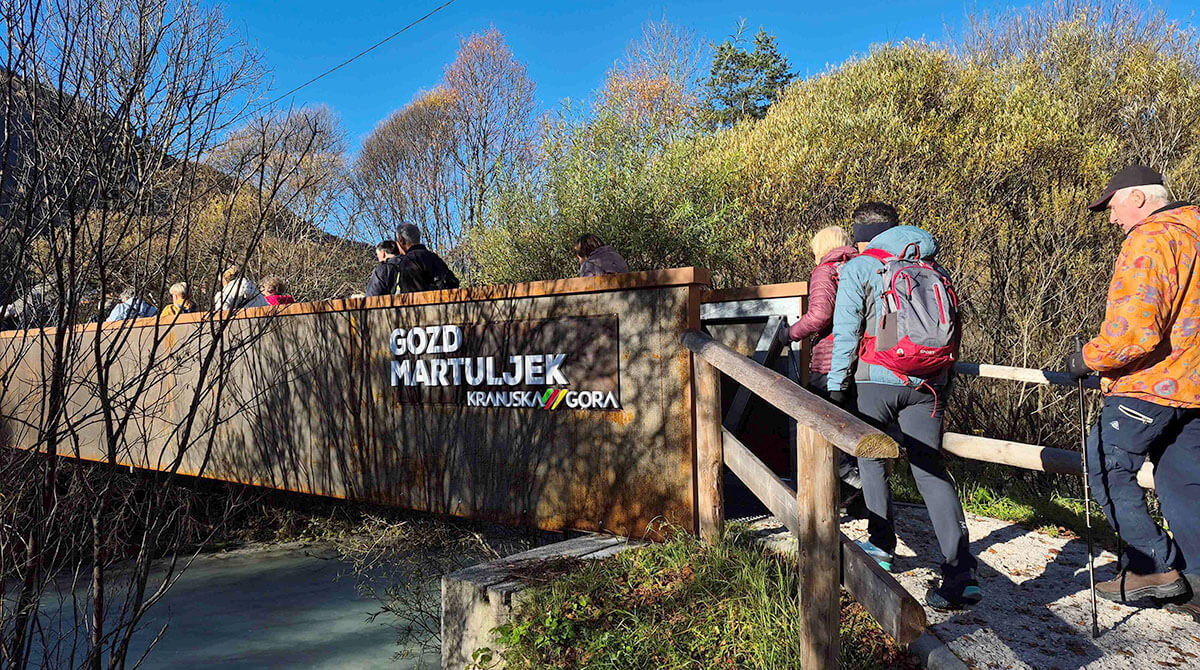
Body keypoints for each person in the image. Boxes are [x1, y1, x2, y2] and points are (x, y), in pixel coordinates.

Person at [828, 204, 980, 610]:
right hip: (929, 384)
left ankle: (881, 546)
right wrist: (940, 378)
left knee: (872, 460)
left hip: (876, 380)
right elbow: (950, 329)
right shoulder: (934, 268)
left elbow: (848, 330)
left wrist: (837, 385)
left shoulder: (862, 266)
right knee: (930, 470)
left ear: (862, 236)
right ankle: (961, 572)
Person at [1066, 164, 1200, 617]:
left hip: (1150, 385)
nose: (1111, 217)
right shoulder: (1195, 231)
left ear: (1138, 198)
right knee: (1184, 481)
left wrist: (1088, 358)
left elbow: (1135, 331)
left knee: (1105, 468)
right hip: (1195, 389)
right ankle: (1196, 581)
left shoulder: (1150, 238)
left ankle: (1153, 567)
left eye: (1112, 206)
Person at [784, 225, 862, 495]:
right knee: (854, 426)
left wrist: (790, 334)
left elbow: (819, 315)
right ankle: (860, 496)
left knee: (817, 422)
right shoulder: (864, 267)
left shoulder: (826, 270)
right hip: (864, 362)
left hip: (830, 361)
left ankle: (841, 483)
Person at [395, 223, 460, 293]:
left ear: (401, 240)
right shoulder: (433, 257)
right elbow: (452, 283)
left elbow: (409, 295)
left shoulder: (407, 262)